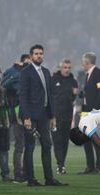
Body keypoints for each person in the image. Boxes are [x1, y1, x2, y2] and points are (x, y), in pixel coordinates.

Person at [19, 44, 67, 187]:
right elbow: (23, 95)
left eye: (41, 53)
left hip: (45, 116)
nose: (39, 55)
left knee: (47, 145)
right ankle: (31, 179)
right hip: (31, 116)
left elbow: (50, 95)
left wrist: (52, 116)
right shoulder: (26, 72)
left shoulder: (46, 72)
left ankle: (49, 178)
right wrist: (26, 117)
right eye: (36, 53)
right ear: (31, 56)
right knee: (30, 147)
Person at [2, 54, 31, 183]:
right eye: (26, 63)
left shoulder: (29, 75)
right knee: (20, 145)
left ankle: (26, 173)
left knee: (28, 145)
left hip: (29, 112)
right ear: (21, 62)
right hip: (18, 112)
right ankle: (18, 174)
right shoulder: (15, 73)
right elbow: (4, 85)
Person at [78, 52, 100, 175]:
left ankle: (99, 167)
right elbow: (90, 93)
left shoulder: (98, 73)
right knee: (86, 140)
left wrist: (96, 110)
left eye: (83, 62)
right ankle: (90, 167)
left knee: (96, 141)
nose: (82, 64)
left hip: (94, 113)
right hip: (86, 112)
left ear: (87, 62)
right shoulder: (88, 75)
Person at [51, 58, 78, 175]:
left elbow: (74, 97)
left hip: (68, 115)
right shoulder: (53, 80)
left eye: (69, 68)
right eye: (65, 67)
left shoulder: (73, 81)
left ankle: (62, 164)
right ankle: (60, 164)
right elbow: (50, 97)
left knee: (65, 141)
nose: (67, 70)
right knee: (57, 141)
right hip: (55, 116)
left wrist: (75, 94)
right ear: (60, 68)